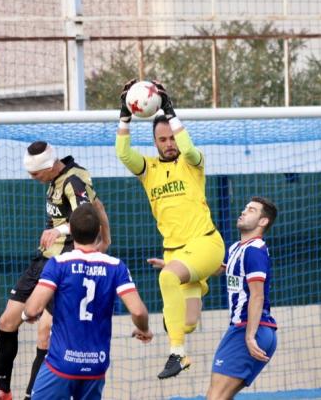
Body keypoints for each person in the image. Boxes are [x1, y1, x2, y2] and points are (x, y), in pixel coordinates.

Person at [115, 79, 225, 379]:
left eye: (171, 138)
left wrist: (170, 111)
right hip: (176, 252)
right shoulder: (148, 170)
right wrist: (124, 116)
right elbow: (124, 154)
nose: (169, 144)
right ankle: (199, 282)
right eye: (162, 140)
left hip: (206, 244)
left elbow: (189, 149)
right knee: (186, 322)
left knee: (167, 278)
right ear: (155, 143)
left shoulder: (192, 164)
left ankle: (178, 354)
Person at [0, 141, 111, 400]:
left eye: (34, 174)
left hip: (67, 261)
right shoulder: (54, 181)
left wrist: (61, 230)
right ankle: (2, 389)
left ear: (48, 166)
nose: (32, 178)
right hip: (44, 259)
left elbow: (87, 212)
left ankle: (31, 396)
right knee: (7, 321)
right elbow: (98, 205)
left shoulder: (74, 179)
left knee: (45, 333)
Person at [22, 203, 153, 399]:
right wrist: (144, 329)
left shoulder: (58, 264)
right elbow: (139, 312)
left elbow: (33, 309)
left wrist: (26, 314)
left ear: (71, 232)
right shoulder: (116, 267)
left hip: (61, 364)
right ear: (99, 231)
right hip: (95, 366)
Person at [207, 196, 278, 400]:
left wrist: (249, 336)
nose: (244, 211)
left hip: (248, 328)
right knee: (222, 396)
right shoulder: (235, 248)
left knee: (215, 396)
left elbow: (257, 295)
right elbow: (217, 269)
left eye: (252, 210)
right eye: (245, 207)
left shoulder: (255, 250)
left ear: (263, 222)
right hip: (251, 329)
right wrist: (176, 266)